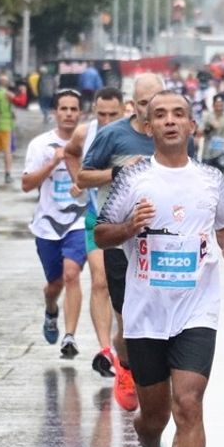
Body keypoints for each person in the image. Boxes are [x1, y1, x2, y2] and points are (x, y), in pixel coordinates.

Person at [94, 89, 224, 447]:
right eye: (161, 115)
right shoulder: (132, 179)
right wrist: (129, 228)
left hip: (197, 308)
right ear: (149, 126)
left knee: (190, 403)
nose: (171, 122)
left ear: (192, 126)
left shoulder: (210, 179)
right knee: (153, 417)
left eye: (179, 114)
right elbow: (102, 234)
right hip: (146, 314)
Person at [78, 73, 163, 413]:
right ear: (133, 104)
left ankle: (156, 378)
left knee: (160, 319)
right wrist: (118, 173)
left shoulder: (175, 134)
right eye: (143, 104)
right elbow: (83, 177)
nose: (151, 110)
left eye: (155, 102)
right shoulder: (113, 135)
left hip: (160, 243)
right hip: (118, 239)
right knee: (127, 321)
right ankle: (125, 367)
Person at [63, 86, 125, 379]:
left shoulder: (134, 134)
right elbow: (70, 152)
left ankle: (124, 341)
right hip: (95, 217)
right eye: (101, 114)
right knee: (99, 280)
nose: (107, 119)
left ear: (125, 110)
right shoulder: (84, 133)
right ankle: (105, 351)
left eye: (113, 114)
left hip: (129, 223)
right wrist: (80, 180)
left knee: (121, 287)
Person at [22, 90, 89, 359]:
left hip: (79, 221)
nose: (69, 114)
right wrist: (54, 161)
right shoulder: (40, 145)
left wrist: (77, 169)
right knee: (55, 283)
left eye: (74, 109)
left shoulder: (89, 143)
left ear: (80, 113)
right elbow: (27, 184)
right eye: (64, 109)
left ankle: (69, 337)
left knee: (72, 273)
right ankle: (51, 308)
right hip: (48, 225)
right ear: (54, 112)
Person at [198, 95, 224, 173]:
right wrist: (210, 127)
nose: (219, 108)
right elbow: (199, 132)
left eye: (221, 105)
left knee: (220, 176)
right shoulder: (207, 116)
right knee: (206, 176)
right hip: (208, 152)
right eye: (217, 106)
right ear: (213, 105)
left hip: (222, 151)